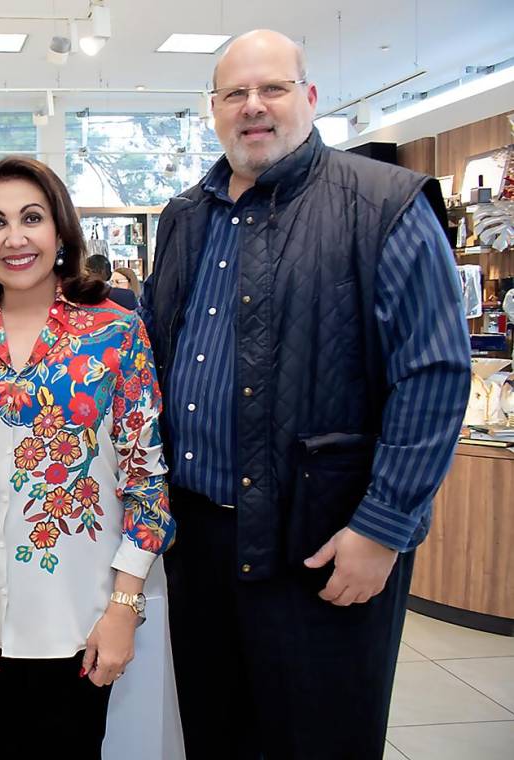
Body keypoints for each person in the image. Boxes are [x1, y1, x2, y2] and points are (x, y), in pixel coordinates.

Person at [141, 30, 471, 759]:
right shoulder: (184, 218)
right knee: (215, 736)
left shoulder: (382, 204)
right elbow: (155, 352)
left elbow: (435, 373)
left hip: (323, 546)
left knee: (321, 741)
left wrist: (383, 527)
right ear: (213, 111)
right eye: (235, 94)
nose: (253, 107)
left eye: (273, 89)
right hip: (199, 547)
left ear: (310, 98)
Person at [0, 156, 172, 759]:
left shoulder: (115, 331)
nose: (15, 237)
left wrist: (124, 607)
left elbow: (148, 484)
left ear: (60, 231)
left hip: (82, 615)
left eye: (32, 217)